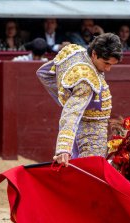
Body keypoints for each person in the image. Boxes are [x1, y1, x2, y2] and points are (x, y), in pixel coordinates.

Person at [36, 33, 123, 166]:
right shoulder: (86, 81)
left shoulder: (74, 51)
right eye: (106, 63)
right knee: (92, 173)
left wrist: (65, 97)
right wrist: (63, 149)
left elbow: (43, 73)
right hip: (91, 132)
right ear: (94, 54)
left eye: (111, 64)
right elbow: (72, 113)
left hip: (80, 126)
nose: (108, 69)